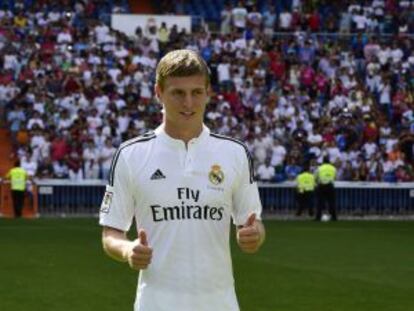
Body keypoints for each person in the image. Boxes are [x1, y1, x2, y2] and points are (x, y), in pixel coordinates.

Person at [99, 49, 266, 311]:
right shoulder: (132, 154)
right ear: (158, 93)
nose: (188, 103)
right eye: (178, 93)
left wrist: (255, 235)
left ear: (208, 93)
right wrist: (128, 249)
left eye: (196, 92)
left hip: (220, 303)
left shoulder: (234, 153)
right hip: (155, 303)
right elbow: (111, 232)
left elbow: (253, 224)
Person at [315, 156, 337, 221]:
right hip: (330, 185)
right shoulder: (333, 168)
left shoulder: (319, 168)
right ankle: (334, 217)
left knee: (320, 202)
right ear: (329, 161)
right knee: (331, 202)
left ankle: (318, 217)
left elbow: (315, 177)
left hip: (321, 185)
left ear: (323, 161)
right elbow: (335, 177)